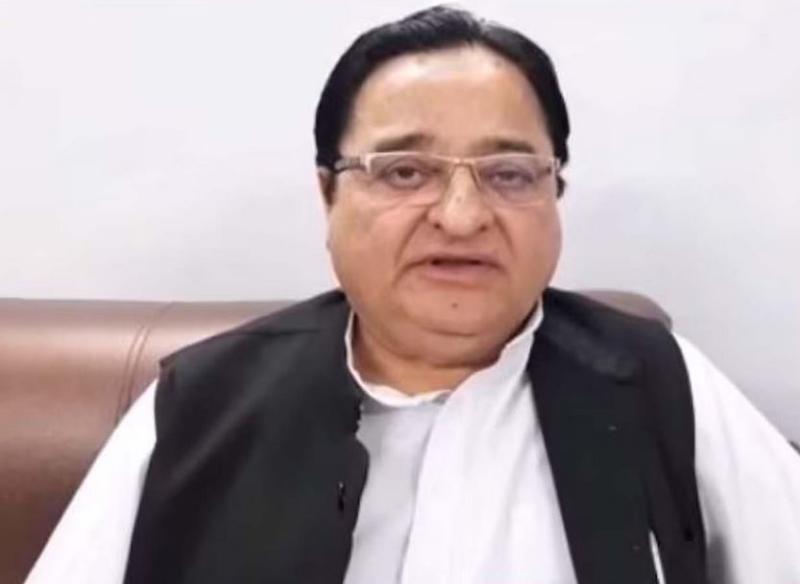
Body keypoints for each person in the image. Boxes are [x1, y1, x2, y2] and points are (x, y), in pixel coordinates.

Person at [25, 6, 800, 584]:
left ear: (554, 194)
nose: (462, 217)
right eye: (404, 172)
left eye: (509, 174)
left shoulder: (660, 384)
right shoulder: (196, 409)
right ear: (329, 195)